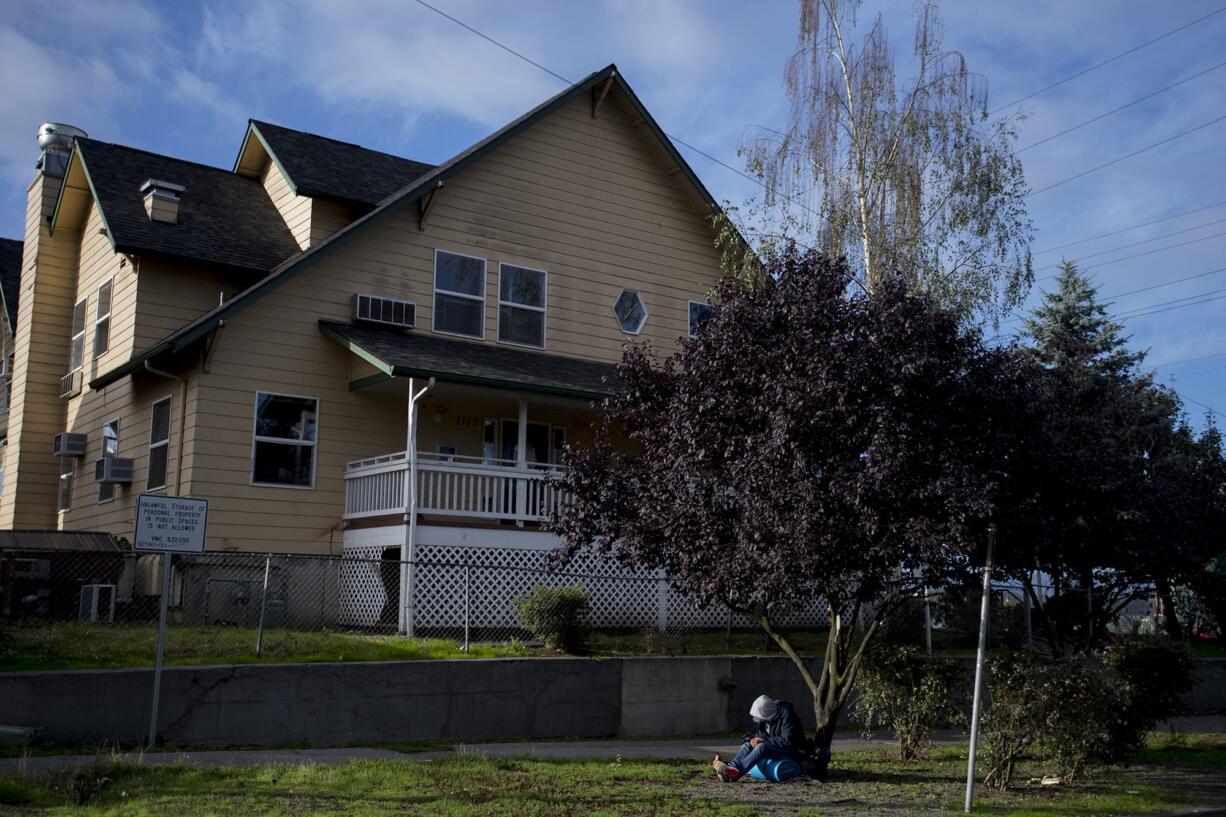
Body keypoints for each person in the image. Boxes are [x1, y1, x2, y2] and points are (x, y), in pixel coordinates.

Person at [712, 694, 808, 782]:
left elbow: (788, 741)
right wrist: (752, 740)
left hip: (793, 752)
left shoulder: (787, 717)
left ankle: (733, 775)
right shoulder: (765, 720)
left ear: (768, 715)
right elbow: (762, 736)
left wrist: (763, 740)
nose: (760, 721)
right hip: (776, 748)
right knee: (747, 745)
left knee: (762, 747)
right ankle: (730, 768)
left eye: (762, 718)